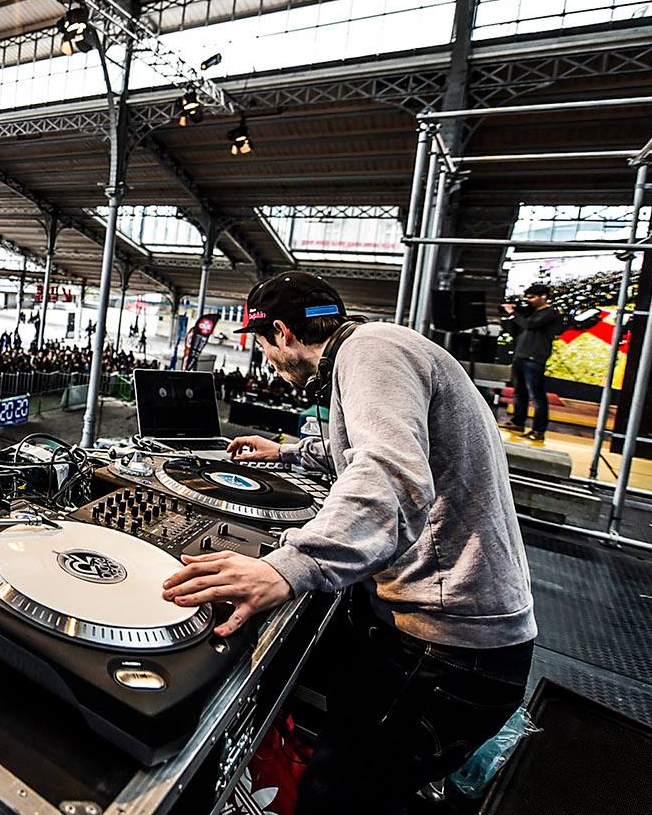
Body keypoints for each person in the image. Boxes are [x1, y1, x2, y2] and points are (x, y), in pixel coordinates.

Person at [161, 271, 535, 815]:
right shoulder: (378, 347)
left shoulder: (371, 354)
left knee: (338, 796)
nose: (267, 361)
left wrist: (287, 567)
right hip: (454, 633)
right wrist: (285, 454)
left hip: (448, 645)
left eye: (263, 346)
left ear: (283, 333)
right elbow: (367, 446)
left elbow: (390, 473)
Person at [501, 282, 561, 443]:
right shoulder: (530, 313)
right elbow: (518, 330)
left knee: (537, 395)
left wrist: (514, 314)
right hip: (521, 356)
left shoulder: (550, 314)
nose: (529, 300)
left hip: (535, 358)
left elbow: (530, 325)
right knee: (519, 392)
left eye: (532, 297)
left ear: (544, 297)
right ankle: (518, 422)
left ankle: (538, 430)